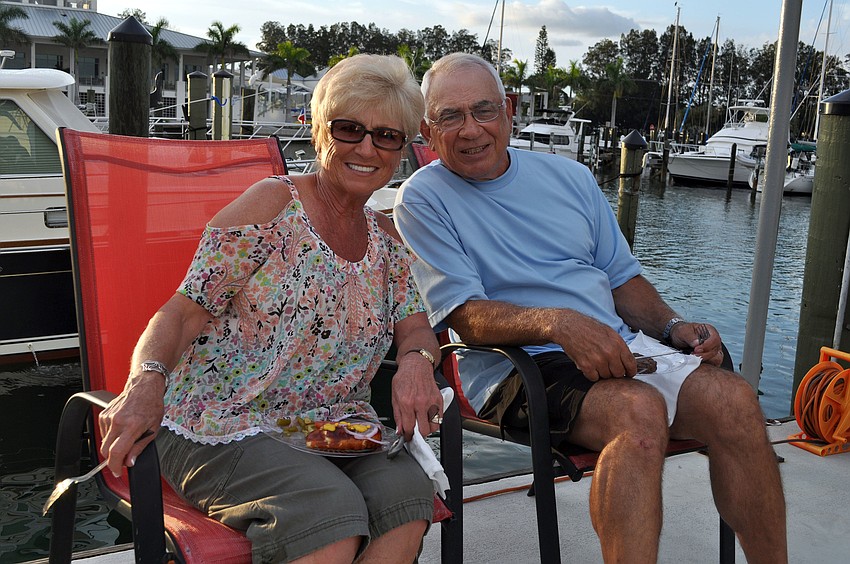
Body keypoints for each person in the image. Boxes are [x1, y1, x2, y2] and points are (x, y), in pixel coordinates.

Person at [394, 52, 787, 564]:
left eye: (484, 110)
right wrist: (558, 324)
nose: (471, 130)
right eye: (450, 117)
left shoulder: (572, 178)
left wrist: (673, 325)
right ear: (427, 128)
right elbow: (462, 315)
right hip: (513, 365)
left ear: (508, 110)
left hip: (615, 345)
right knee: (637, 411)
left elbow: (622, 279)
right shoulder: (422, 198)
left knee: (736, 401)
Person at [98, 54, 444, 564]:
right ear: (320, 130)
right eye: (349, 129)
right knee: (325, 512)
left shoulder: (387, 241)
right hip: (219, 422)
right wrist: (146, 380)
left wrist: (416, 362)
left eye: (387, 136)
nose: (367, 147)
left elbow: (417, 330)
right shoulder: (272, 207)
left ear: (402, 150)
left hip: (332, 426)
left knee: (407, 497)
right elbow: (182, 312)